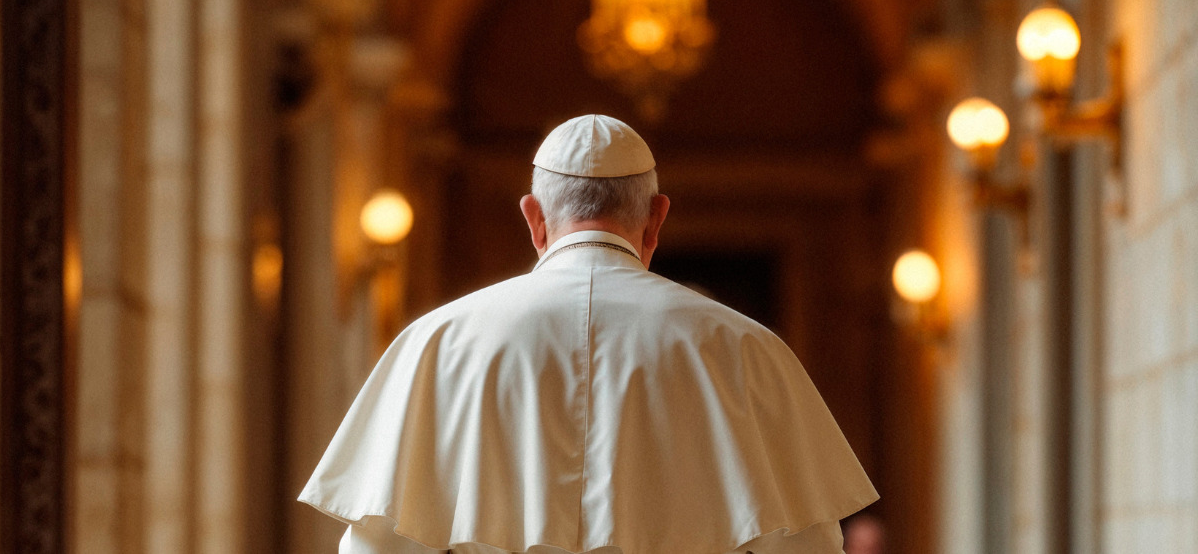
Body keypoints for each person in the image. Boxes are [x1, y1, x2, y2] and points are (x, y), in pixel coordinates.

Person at [300, 115, 878, 554]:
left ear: (534, 218)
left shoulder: (437, 343)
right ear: (656, 218)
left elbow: (379, 547)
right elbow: (807, 546)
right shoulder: (748, 350)